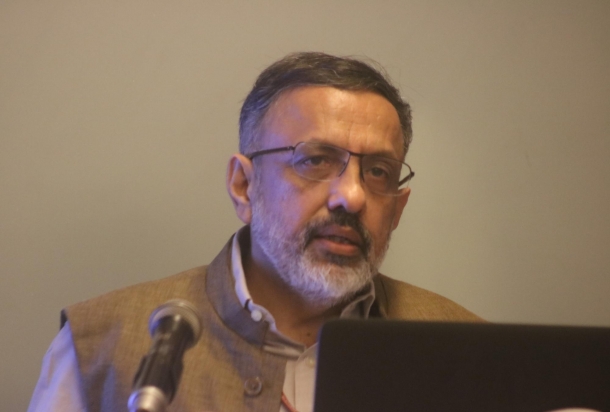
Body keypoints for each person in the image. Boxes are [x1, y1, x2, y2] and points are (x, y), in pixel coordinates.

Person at [28, 52, 481, 412]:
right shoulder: (101, 346)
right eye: (315, 160)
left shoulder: (468, 348)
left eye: (379, 171)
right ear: (243, 186)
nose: (352, 196)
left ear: (397, 208)